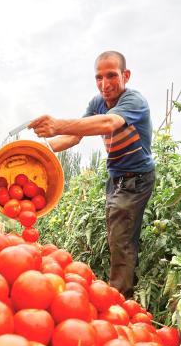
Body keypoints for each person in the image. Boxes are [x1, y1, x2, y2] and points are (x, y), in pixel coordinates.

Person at [29, 50, 155, 298]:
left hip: (137, 177)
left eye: (111, 76)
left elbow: (108, 124)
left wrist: (56, 125)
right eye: (99, 78)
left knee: (120, 236)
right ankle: (123, 287)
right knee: (117, 231)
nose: (105, 84)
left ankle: (120, 299)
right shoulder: (97, 103)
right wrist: (42, 149)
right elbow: (75, 136)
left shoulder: (134, 102)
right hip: (116, 177)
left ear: (125, 75)